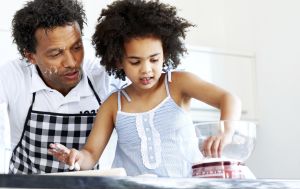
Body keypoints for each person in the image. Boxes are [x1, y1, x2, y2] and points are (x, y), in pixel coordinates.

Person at [49, 0, 241, 177]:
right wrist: (76, 158)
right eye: (135, 62)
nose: (146, 69)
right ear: (118, 61)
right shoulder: (114, 104)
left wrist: (227, 131)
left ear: (166, 52)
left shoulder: (178, 84)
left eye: (154, 59)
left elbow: (228, 98)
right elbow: (90, 154)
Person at [0, 0, 124, 174]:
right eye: (56, 53)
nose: (72, 62)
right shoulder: (13, 76)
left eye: (77, 47)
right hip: (25, 188)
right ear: (30, 57)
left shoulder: (102, 76)